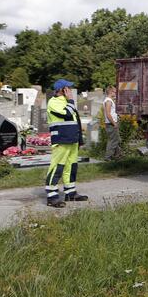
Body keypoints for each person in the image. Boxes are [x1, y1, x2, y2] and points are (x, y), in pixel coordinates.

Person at [44, 79, 87, 207]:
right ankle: (52, 197)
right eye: (68, 87)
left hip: (72, 139)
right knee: (57, 167)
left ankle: (70, 193)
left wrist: (79, 139)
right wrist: (71, 100)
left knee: (71, 166)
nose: (70, 90)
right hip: (61, 139)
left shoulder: (66, 101)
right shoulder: (54, 102)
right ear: (62, 90)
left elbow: (76, 121)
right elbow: (67, 114)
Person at [103, 86, 121, 161]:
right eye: (115, 91)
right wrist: (114, 123)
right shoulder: (108, 101)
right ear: (110, 92)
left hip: (111, 123)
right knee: (113, 140)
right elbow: (108, 114)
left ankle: (118, 155)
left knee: (116, 139)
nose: (116, 93)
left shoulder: (110, 100)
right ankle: (108, 157)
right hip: (111, 123)